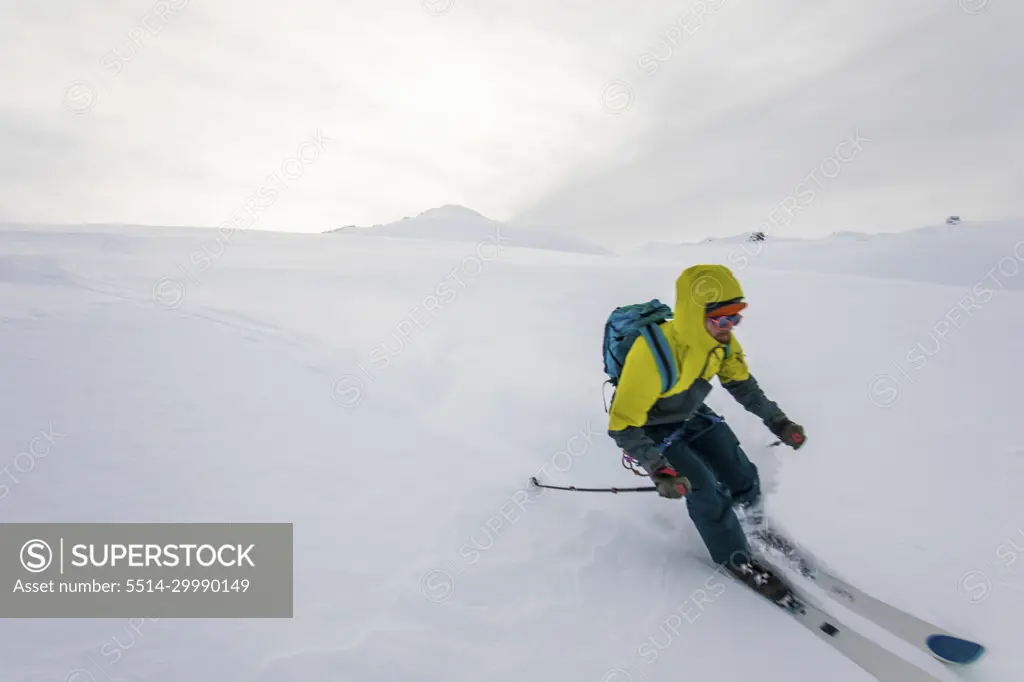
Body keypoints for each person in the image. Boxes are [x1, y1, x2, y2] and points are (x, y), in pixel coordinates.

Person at [606, 264, 806, 596]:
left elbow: (743, 386)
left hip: (690, 412)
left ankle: (752, 521)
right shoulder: (653, 354)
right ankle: (736, 557)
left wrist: (778, 421)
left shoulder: (721, 344)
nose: (729, 327)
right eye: (721, 319)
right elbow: (622, 423)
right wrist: (659, 469)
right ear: (694, 315)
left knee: (739, 469)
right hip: (648, 426)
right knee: (703, 487)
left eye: (736, 317)